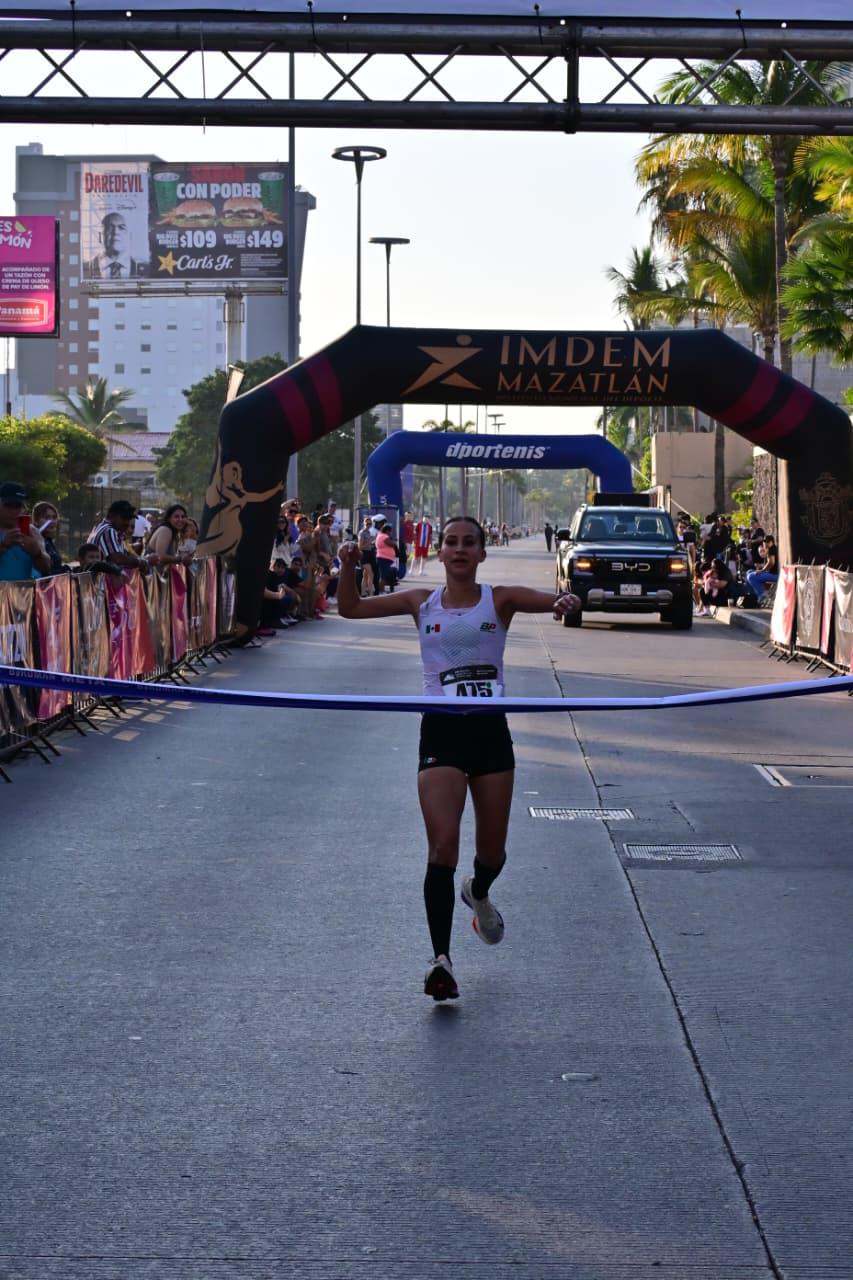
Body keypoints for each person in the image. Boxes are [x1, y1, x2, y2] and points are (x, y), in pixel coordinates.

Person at [337, 515, 581, 1002]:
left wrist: (565, 601)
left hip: (490, 734)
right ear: (441, 552)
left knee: (491, 854)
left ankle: (480, 890)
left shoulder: (500, 599)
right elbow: (350, 608)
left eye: (470, 543)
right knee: (442, 847)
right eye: (451, 542)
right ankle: (440, 960)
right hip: (442, 731)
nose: (460, 549)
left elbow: (556, 601)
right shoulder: (419, 602)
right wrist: (346, 566)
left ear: (482, 554)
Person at [0, 481, 51, 581]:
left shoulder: (32, 532)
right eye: (8, 505)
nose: (14, 511)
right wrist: (3, 546)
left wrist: (37, 553)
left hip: (23, 590)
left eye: (18, 506)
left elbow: (46, 568)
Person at [89, 500, 150, 574]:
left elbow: (124, 555)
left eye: (129, 518)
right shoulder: (109, 530)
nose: (127, 522)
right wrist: (139, 562)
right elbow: (117, 558)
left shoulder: (101, 527)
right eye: (124, 518)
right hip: (101, 578)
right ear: (112, 515)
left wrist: (141, 560)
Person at [85, 210, 145, 279]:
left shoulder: (146, 270)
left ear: (130, 236)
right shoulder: (84, 269)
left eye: (122, 228)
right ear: (100, 236)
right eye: (109, 228)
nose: (116, 232)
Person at [31, 500, 64, 575]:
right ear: (36, 520)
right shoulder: (34, 540)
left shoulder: (49, 541)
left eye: (54, 517)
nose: (52, 521)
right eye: (47, 517)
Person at [747, 534, 778, 606]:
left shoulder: (772, 549)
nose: (765, 543)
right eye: (765, 542)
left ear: (772, 542)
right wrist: (761, 568)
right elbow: (770, 564)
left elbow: (771, 563)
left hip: (775, 575)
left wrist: (762, 571)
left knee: (751, 577)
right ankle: (757, 596)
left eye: (767, 542)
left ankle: (763, 596)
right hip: (772, 573)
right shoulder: (770, 549)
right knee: (749, 572)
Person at [375, 519, 399, 593]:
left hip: (386, 558)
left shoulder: (380, 535)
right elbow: (392, 544)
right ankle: (381, 591)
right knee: (383, 576)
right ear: (387, 531)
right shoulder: (384, 536)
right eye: (390, 531)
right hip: (384, 559)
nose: (390, 533)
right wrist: (394, 543)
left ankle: (382, 590)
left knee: (387, 574)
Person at [357, 515, 377, 596]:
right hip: (364, 554)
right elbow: (360, 546)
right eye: (367, 524)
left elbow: (370, 544)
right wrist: (369, 542)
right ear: (364, 524)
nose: (368, 525)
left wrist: (373, 542)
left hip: (369, 553)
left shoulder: (369, 532)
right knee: (371, 574)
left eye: (370, 524)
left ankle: (363, 592)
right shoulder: (362, 533)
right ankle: (370, 593)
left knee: (365, 575)